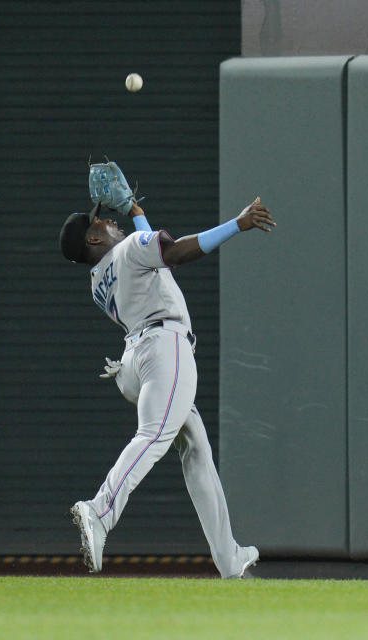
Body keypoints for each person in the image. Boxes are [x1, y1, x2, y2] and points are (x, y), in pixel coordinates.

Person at [60, 194, 275, 578]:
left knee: (196, 449)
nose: (109, 222)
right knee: (155, 435)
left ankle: (229, 559)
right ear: (93, 239)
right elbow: (173, 254)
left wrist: (138, 213)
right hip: (165, 349)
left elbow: (154, 260)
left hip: (135, 363)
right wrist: (236, 225)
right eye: (99, 223)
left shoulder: (98, 280)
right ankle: (99, 511)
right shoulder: (128, 248)